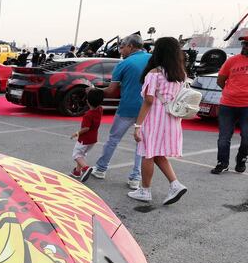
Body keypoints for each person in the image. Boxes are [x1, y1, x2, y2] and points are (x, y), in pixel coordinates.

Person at [129, 37, 187, 205]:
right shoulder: (180, 75)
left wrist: (138, 125)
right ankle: (175, 184)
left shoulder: (154, 74)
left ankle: (145, 190)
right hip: (171, 120)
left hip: (154, 119)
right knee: (157, 153)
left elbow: (148, 101)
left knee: (148, 153)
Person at [91, 33, 150, 188]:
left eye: (122, 46)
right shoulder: (153, 60)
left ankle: (101, 169)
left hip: (127, 107)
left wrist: (94, 90)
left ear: (130, 46)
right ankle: (135, 178)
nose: (120, 50)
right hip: (148, 109)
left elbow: (111, 91)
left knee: (113, 140)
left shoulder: (123, 64)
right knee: (141, 145)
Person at [212, 36, 248, 174]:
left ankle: (242, 158)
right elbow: (221, 80)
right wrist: (230, 92)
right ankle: (222, 162)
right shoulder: (232, 61)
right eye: (244, 44)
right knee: (224, 137)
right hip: (228, 104)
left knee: (246, 137)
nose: (245, 47)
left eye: (247, 44)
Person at [70, 88, 104, 182]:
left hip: (84, 139)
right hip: (93, 139)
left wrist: (76, 133)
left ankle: (85, 168)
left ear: (88, 101)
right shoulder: (100, 109)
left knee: (76, 155)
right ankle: (77, 171)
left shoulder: (88, 115)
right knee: (82, 154)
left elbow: (86, 128)